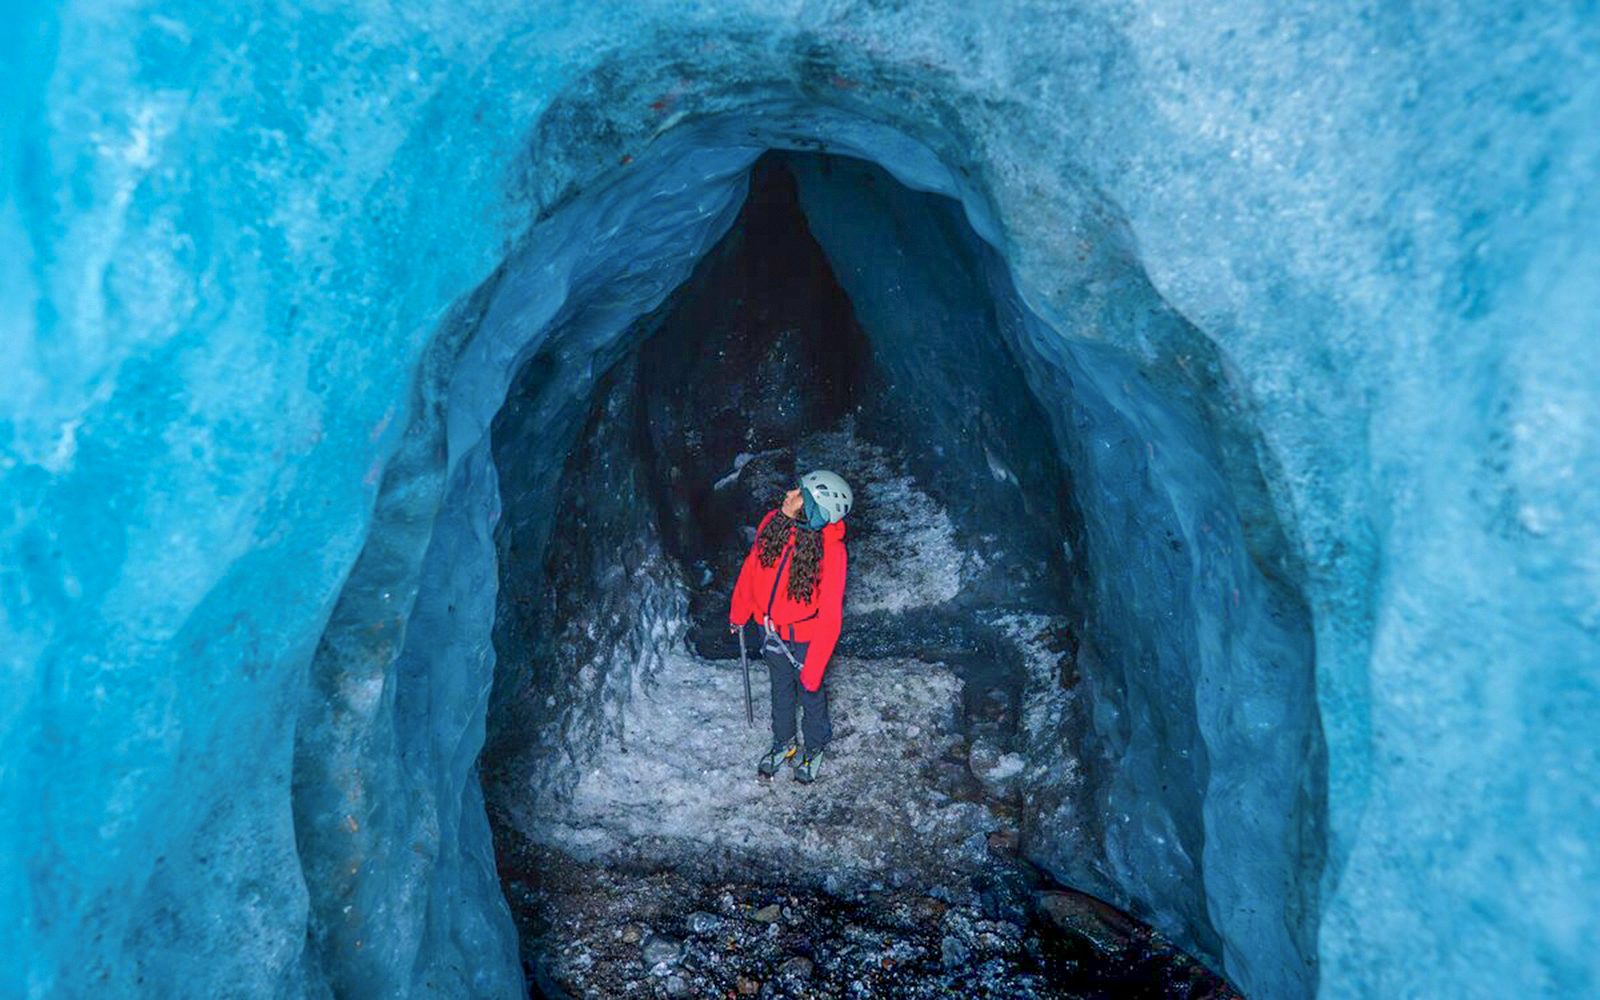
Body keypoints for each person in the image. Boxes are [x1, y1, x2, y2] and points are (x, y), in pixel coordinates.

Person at [729, 470, 853, 783]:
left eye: (800, 494)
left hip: (805, 639)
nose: (790, 494)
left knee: (811, 693)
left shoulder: (832, 551)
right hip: (769, 631)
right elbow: (751, 566)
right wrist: (740, 611)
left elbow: (830, 613)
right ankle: (782, 741)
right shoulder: (773, 522)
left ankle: (814, 745)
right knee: (780, 689)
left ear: (814, 509)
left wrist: (814, 665)